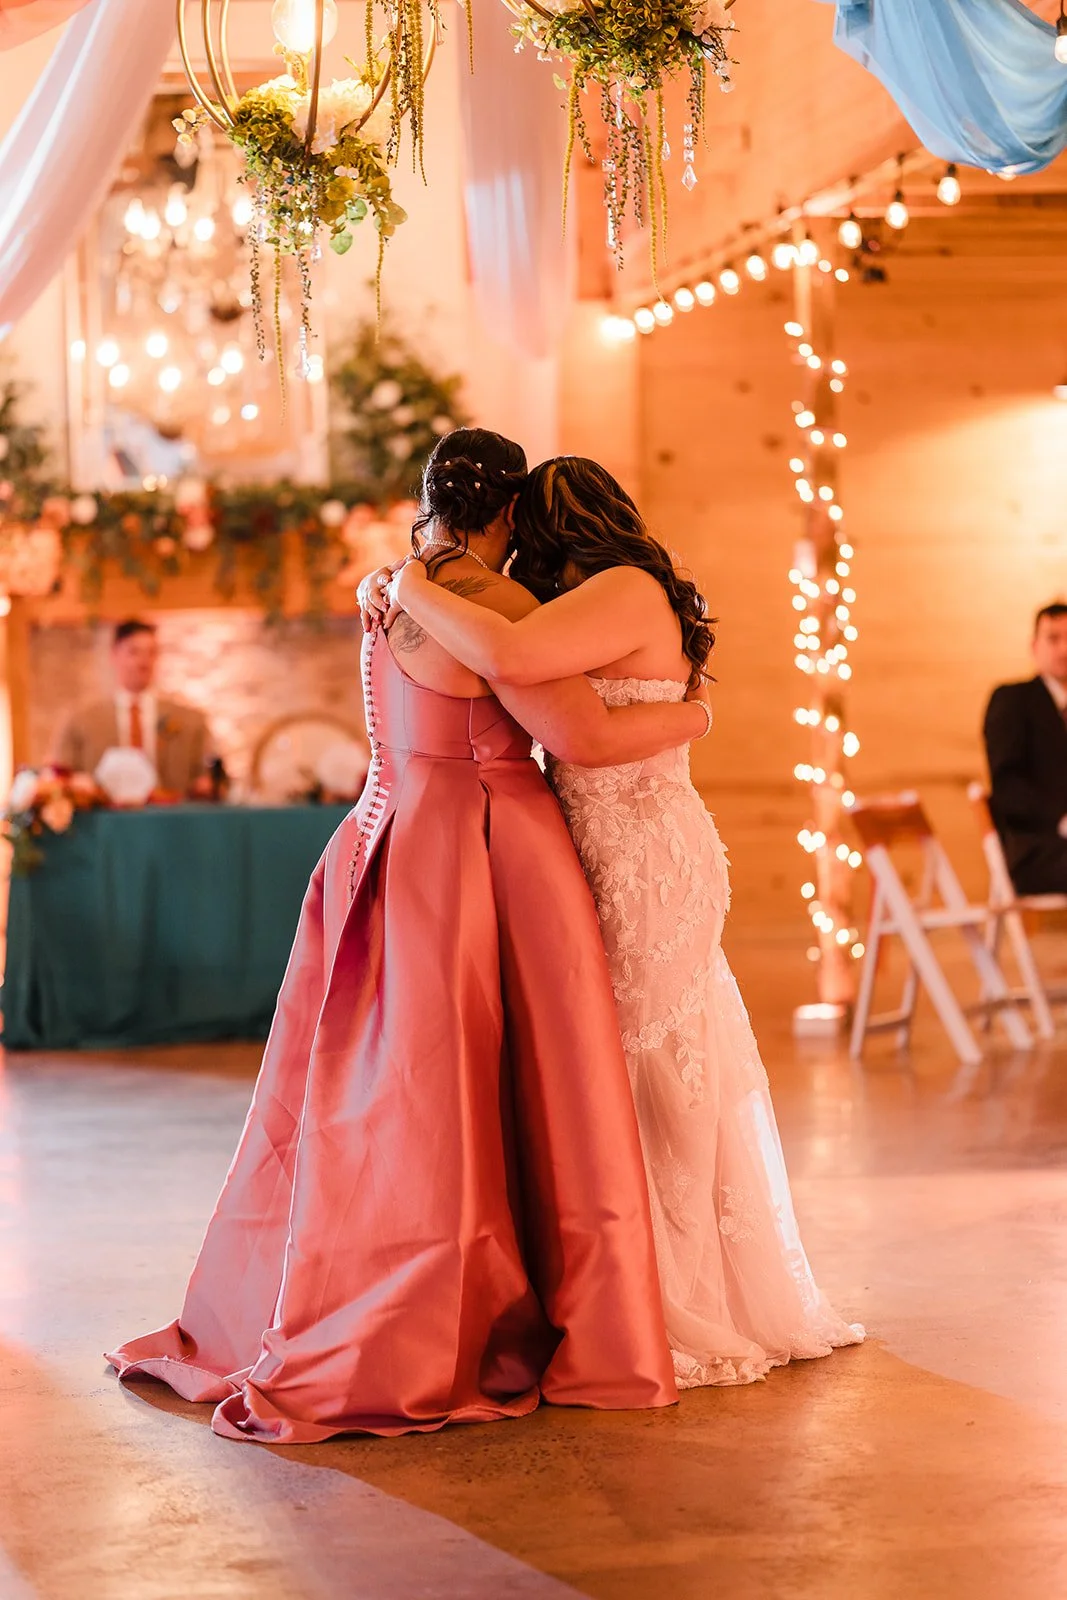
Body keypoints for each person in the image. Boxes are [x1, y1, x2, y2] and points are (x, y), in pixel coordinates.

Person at [106, 430, 710, 1444]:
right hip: (484, 835)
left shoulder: (390, 591)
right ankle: (481, 1311)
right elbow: (572, 731)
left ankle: (359, 1279)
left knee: (390, 1088)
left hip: (382, 831)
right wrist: (690, 714)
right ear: (507, 511)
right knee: (503, 1077)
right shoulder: (488, 598)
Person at [382, 454, 864, 1388]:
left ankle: (669, 1291)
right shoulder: (581, 602)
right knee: (629, 1060)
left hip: (645, 856)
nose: (516, 548)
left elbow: (519, 668)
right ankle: (630, 1282)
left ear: (555, 525)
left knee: (651, 1064)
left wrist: (408, 577)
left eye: (529, 530)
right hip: (602, 850)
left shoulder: (625, 590)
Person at [53, 618, 215, 797]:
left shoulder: (190, 721)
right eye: (134, 652)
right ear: (114, 655)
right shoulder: (83, 722)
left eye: (151, 653)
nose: (143, 662)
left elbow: (207, 778)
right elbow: (61, 778)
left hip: (170, 818)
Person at [984, 602, 1067, 895]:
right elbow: (1008, 786)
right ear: (1035, 646)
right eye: (1054, 638)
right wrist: (1060, 818)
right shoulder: (1013, 701)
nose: (1063, 650)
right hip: (1036, 849)